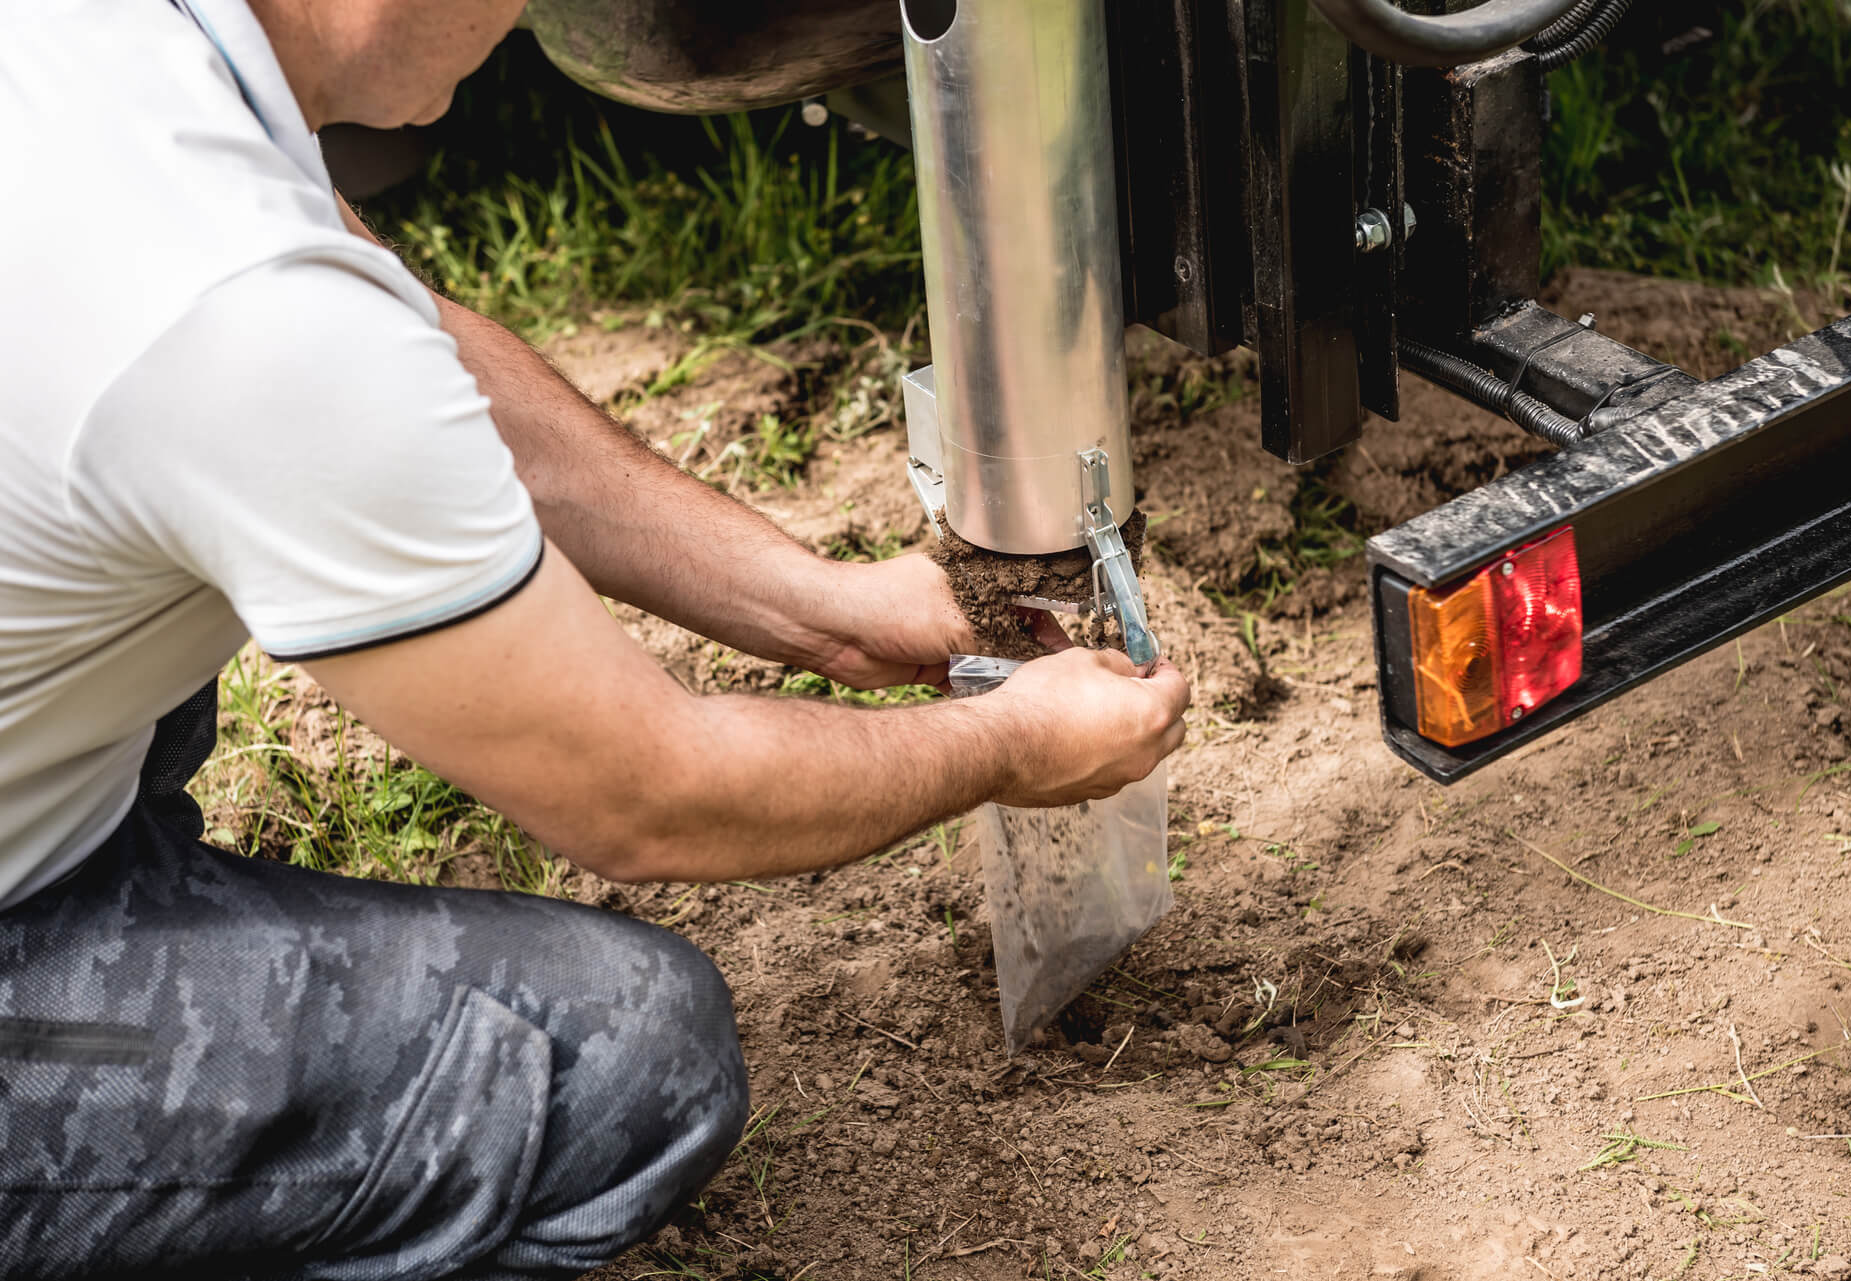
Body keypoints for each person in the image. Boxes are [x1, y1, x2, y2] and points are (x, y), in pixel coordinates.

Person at [0, 2, 1191, 1277]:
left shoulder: (120, 59)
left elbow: (413, 349)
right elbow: (649, 793)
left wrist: (818, 609)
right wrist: (1008, 741)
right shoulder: (235, 311)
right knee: (625, 1058)